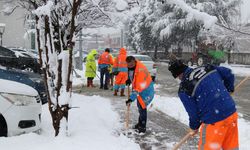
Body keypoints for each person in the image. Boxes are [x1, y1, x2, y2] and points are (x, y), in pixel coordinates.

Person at [168, 59, 239, 150]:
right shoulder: (207, 68)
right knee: (232, 148)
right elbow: (229, 73)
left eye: (177, 77)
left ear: (178, 75)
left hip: (213, 121)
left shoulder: (184, 88)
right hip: (231, 114)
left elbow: (194, 114)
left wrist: (194, 127)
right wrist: (229, 89)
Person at [125, 56, 154, 133]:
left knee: (142, 107)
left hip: (146, 90)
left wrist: (131, 99)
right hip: (141, 89)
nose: (129, 67)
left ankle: (142, 127)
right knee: (140, 106)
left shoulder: (140, 71)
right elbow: (132, 75)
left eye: (131, 65)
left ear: (134, 61)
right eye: (128, 65)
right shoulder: (133, 66)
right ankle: (140, 123)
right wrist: (129, 80)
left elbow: (137, 89)